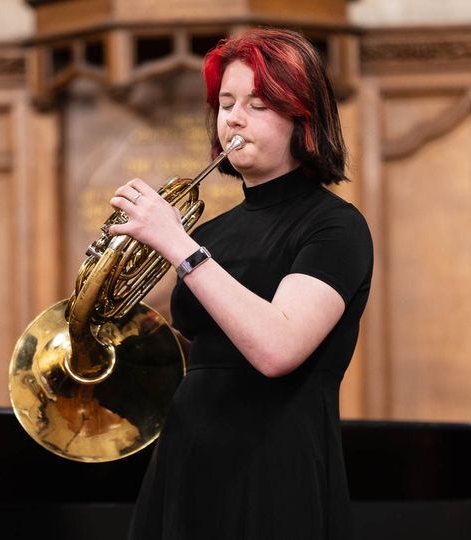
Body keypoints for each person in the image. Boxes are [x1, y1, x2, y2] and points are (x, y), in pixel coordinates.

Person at [106, 27, 373, 540]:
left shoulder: (334, 226)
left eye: (258, 104)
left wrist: (178, 246)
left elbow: (278, 348)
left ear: (303, 117)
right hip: (187, 461)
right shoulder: (211, 232)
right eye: (226, 102)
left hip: (274, 467)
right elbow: (200, 350)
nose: (233, 116)